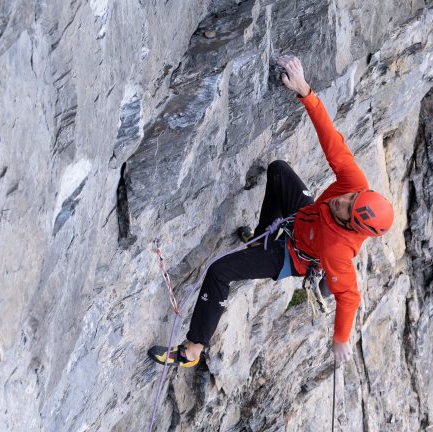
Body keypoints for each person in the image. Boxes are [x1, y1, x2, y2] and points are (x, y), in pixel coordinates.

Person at [148, 55, 394, 369]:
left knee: (219, 271)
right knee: (278, 171)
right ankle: (257, 242)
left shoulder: (339, 251)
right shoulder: (353, 185)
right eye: (350, 199)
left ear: (352, 226)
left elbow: (351, 296)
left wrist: (341, 339)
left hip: (293, 256)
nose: (341, 201)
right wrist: (305, 91)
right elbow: (333, 142)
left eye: (346, 209)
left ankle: (193, 348)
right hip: (305, 218)